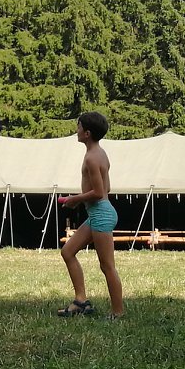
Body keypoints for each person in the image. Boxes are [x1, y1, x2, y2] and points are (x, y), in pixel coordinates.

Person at [56, 110, 125, 318]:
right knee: (68, 252)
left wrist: (74, 199)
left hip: (101, 215)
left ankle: (117, 313)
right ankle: (80, 301)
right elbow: (108, 188)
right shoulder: (100, 154)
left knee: (107, 266)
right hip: (98, 212)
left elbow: (99, 192)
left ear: (87, 133)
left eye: (78, 127)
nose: (76, 130)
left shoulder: (92, 158)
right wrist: (83, 200)